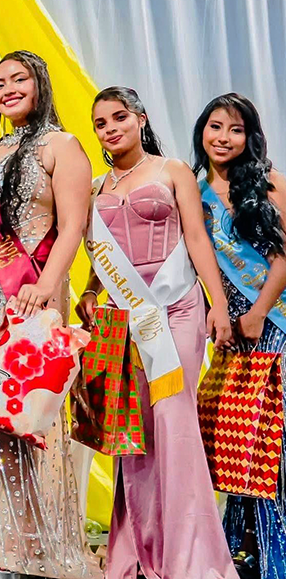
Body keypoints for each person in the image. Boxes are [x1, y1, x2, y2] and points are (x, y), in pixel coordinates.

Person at [0, 50, 98, 579]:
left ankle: (41, 543)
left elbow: (73, 225)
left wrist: (47, 285)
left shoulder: (63, 146)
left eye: (19, 79)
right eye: (0, 82)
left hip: (31, 297)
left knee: (30, 421)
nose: (7, 89)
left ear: (40, 84)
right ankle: (8, 540)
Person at [76, 86, 238, 579]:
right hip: (121, 315)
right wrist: (89, 291)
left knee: (175, 422)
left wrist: (218, 304)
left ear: (141, 119)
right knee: (136, 432)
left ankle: (191, 555)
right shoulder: (94, 189)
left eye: (119, 117)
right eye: (101, 123)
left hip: (177, 306)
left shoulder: (173, 171)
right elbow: (98, 257)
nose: (111, 128)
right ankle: (138, 549)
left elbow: (196, 239)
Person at [193, 92, 286, 579]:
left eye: (235, 129)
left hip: (273, 324)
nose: (224, 138)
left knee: (269, 442)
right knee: (234, 443)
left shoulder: (269, 183)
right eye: (216, 127)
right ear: (201, 131)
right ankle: (240, 547)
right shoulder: (193, 190)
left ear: (249, 137)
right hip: (229, 333)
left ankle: (274, 556)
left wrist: (259, 311)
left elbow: (285, 257)